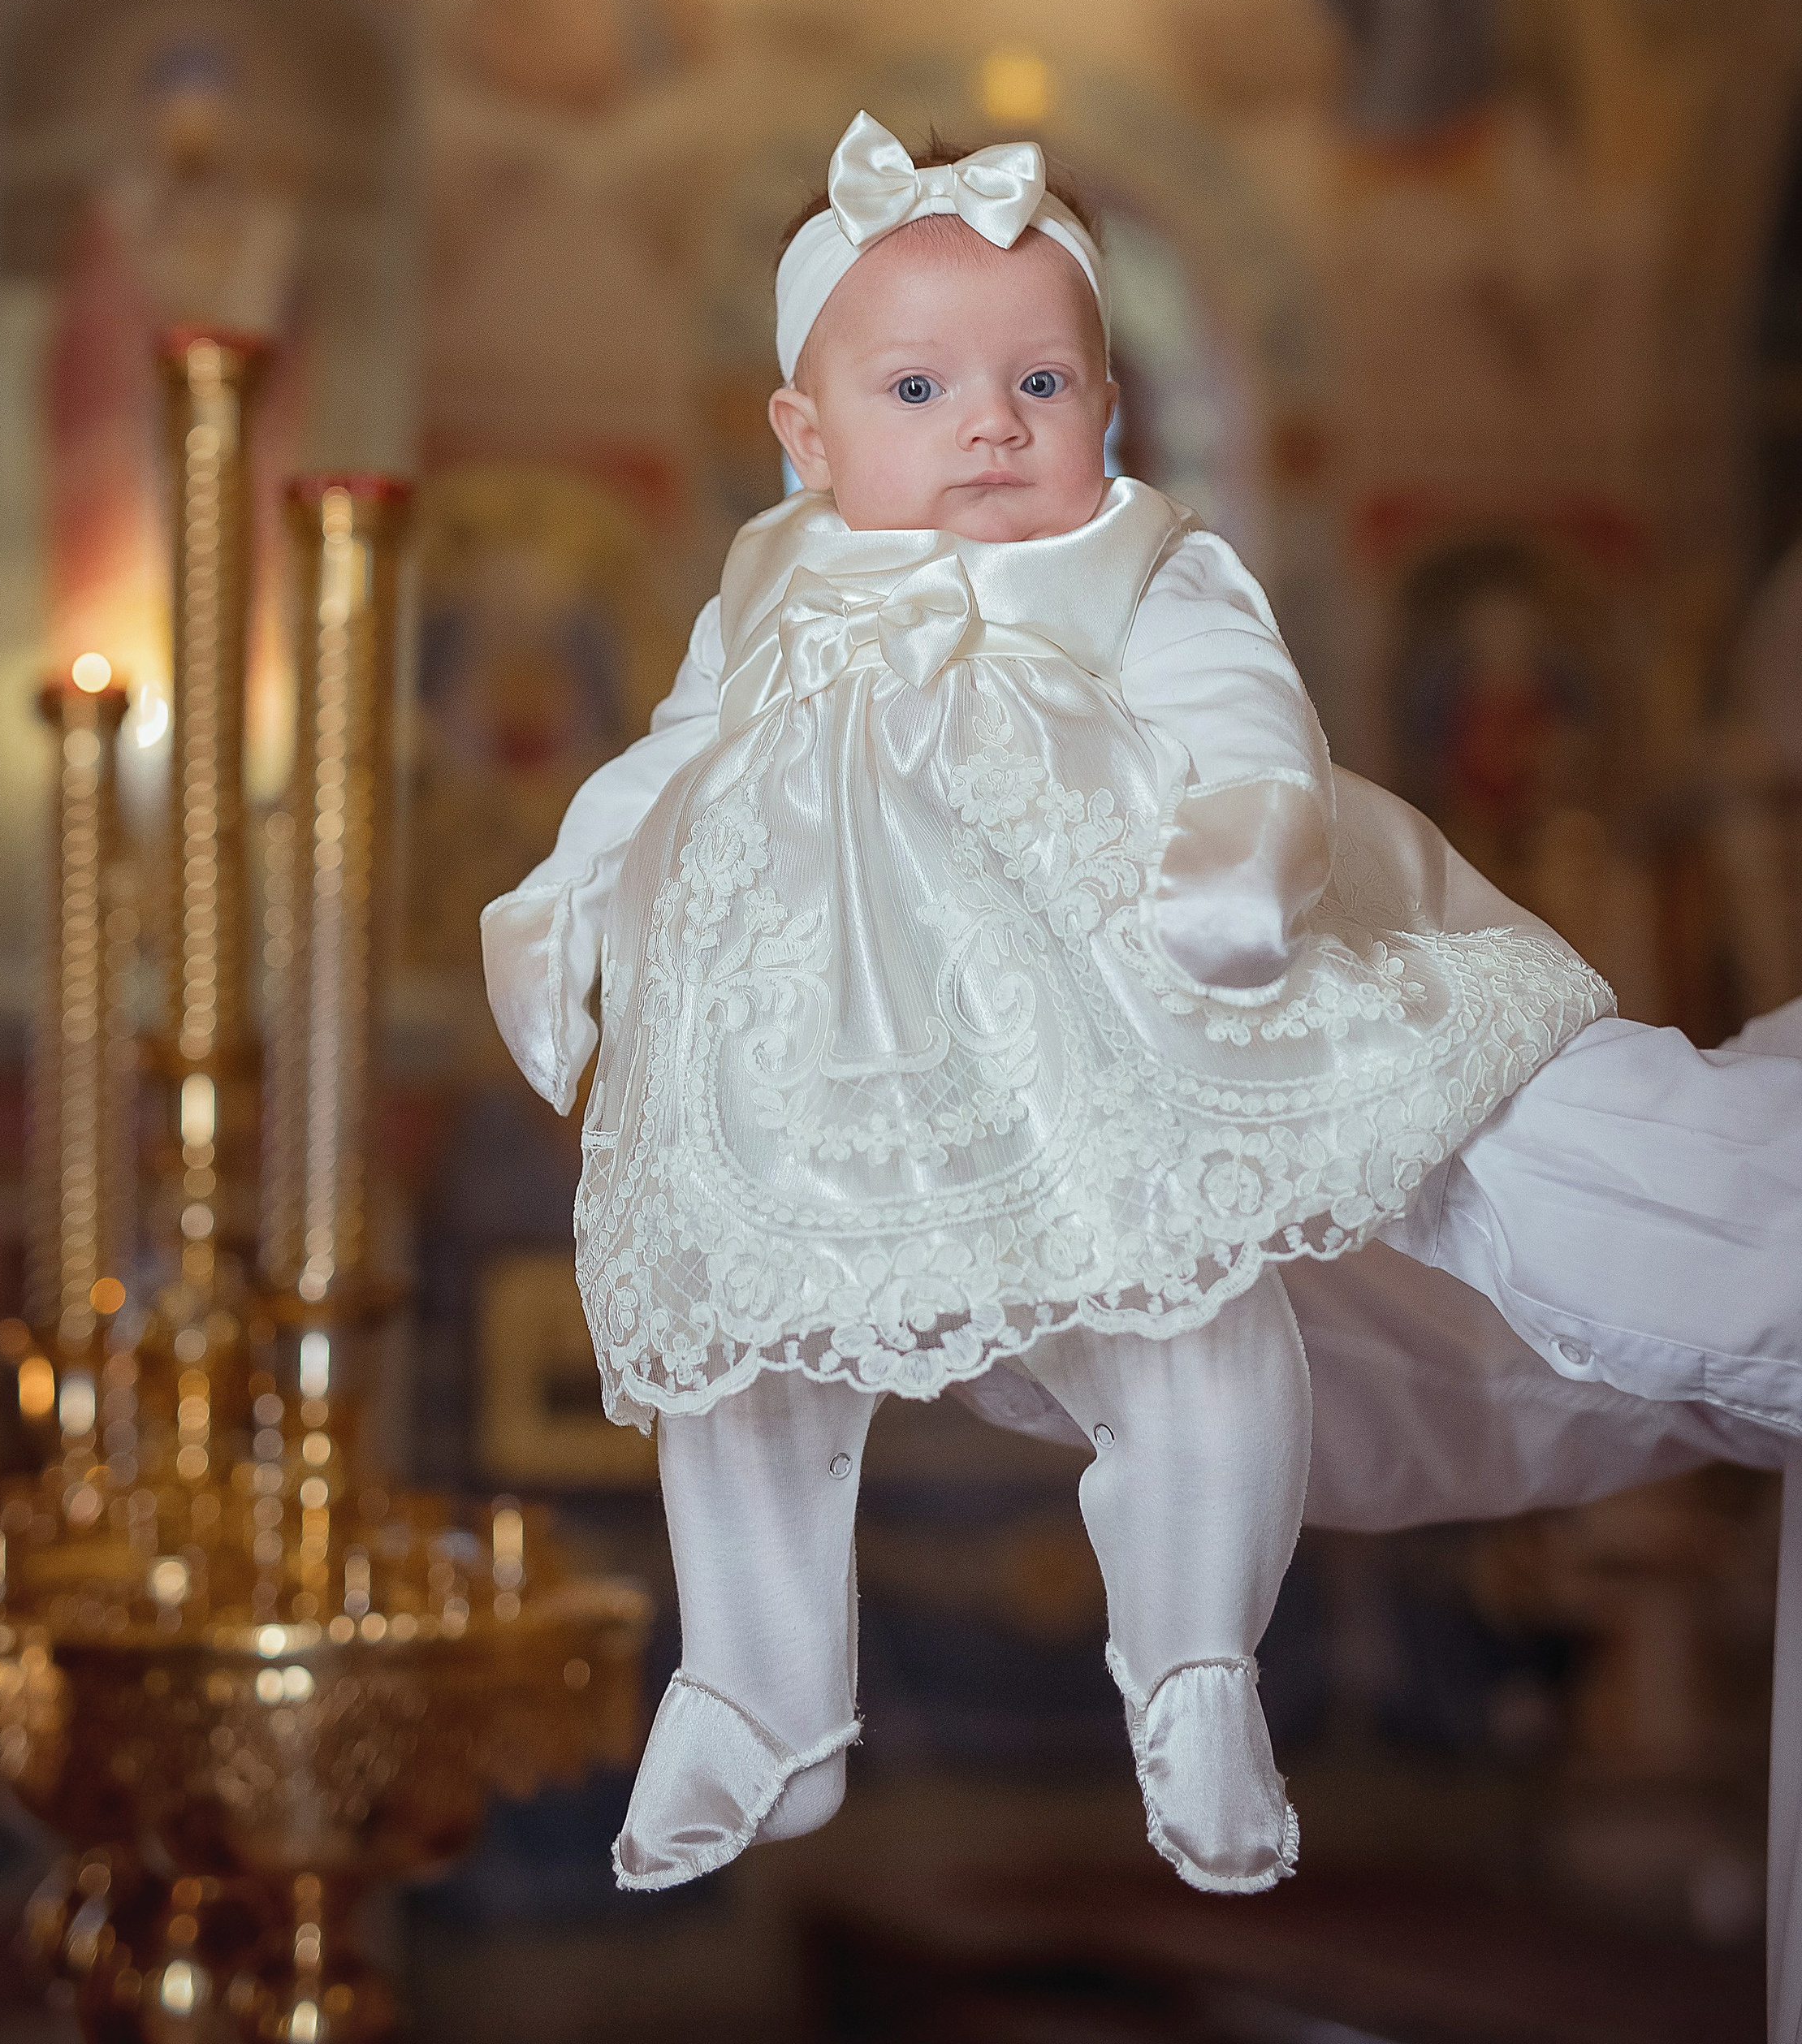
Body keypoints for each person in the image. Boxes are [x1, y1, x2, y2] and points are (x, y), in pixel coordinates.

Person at [482, 112, 1802, 1902]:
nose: (990, 423)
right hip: (805, 1053)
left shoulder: (1132, 560)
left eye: (1040, 378)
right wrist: (561, 902)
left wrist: (1252, 843)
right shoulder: (766, 590)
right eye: (919, 388)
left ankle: (1191, 1661)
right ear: (802, 439)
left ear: (1109, 408)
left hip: (1111, 1020)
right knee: (737, 1346)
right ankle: (754, 1679)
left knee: (1186, 1302)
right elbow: (668, 767)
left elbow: (1247, 715)